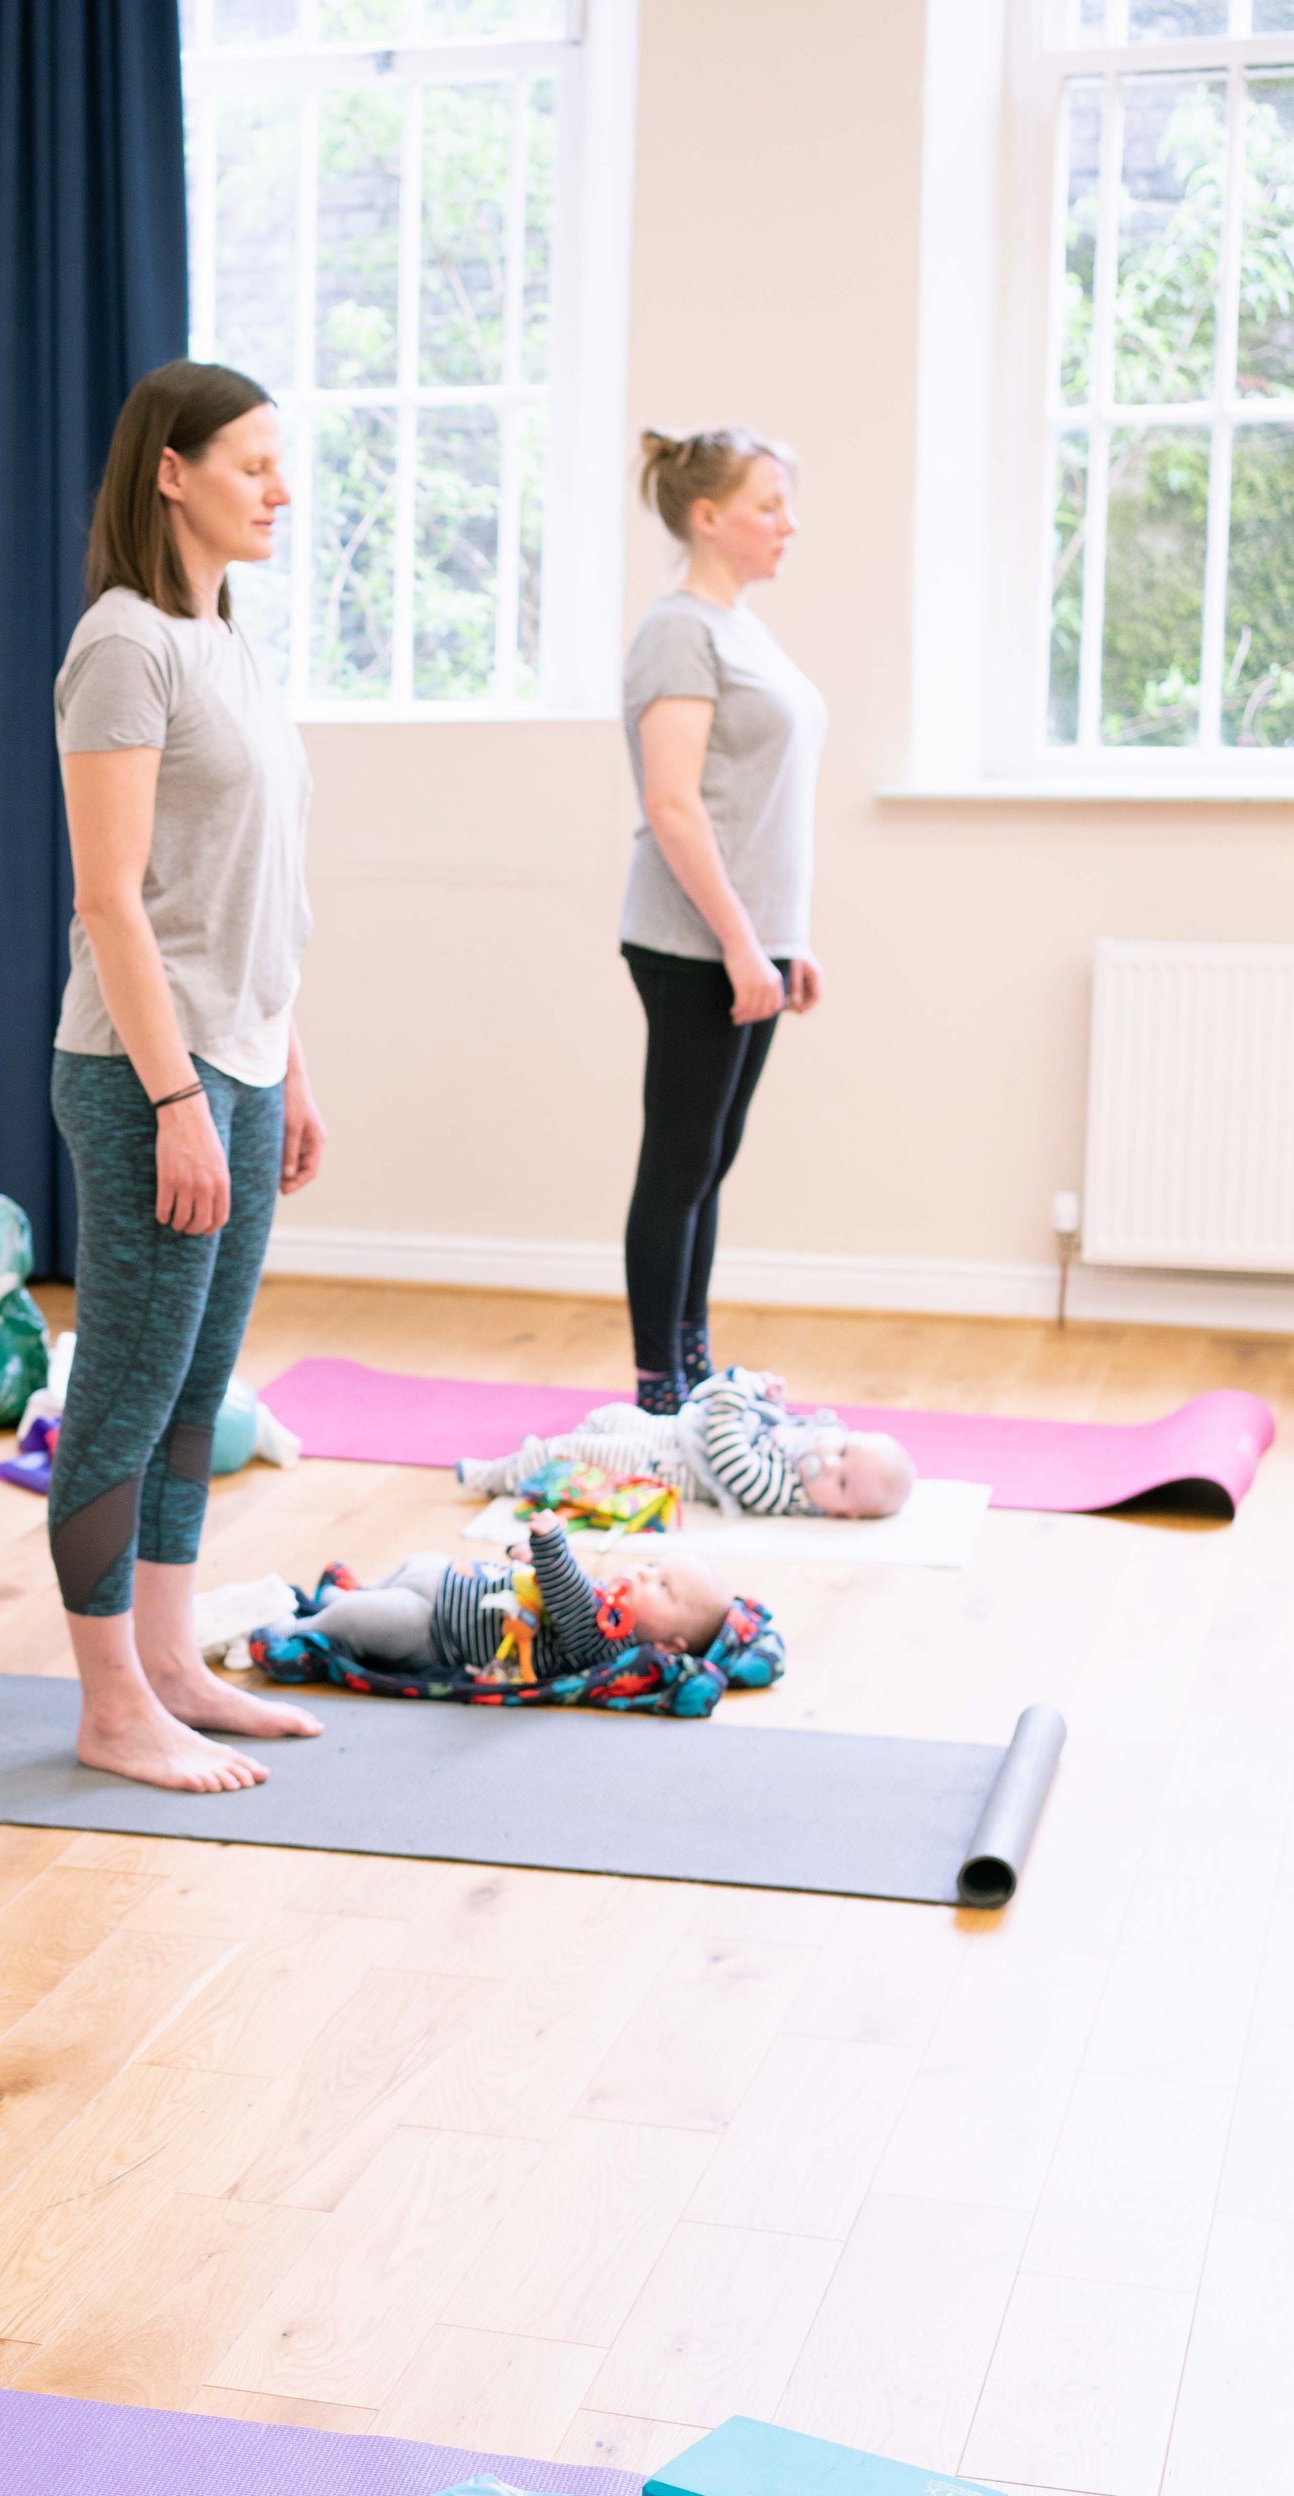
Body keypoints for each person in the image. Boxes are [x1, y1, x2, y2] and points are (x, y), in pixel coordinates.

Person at [47, 359, 329, 1796]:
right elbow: (114, 900)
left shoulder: (235, 647)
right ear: (172, 468)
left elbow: (246, 890)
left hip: (244, 1059)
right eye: (255, 463)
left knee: (199, 1389)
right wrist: (176, 1100)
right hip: (144, 1072)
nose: (282, 490)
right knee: (129, 1389)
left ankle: (169, 1666)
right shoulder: (124, 648)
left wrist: (289, 1063)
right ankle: (109, 1704)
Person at [619, 428, 829, 1415]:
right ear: (707, 516)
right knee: (678, 1163)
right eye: (768, 505)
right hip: (691, 941)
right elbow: (674, 804)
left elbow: (756, 799)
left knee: (708, 1163)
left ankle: (695, 1367)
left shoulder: (741, 627)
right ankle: (660, 1388)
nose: (789, 524)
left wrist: (786, 938)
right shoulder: (678, 631)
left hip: (750, 939)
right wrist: (745, 943)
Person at [285, 1518, 733, 1679]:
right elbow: (552, 1587)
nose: (642, 1573)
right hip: (448, 1577)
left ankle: (301, 1632)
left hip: (434, 1627)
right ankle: (340, 1600)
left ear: (670, 1644)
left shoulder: (613, 1643)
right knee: (395, 1579)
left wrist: (551, 1546)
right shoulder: (609, 1600)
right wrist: (531, 1561)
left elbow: (570, 1599)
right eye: (653, 1565)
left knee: (363, 1619)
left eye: (662, 1586)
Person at [463, 1367, 914, 1521]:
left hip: (661, 1464)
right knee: (607, 1418)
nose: (828, 1465)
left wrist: (735, 1393)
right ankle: (534, 1456)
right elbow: (782, 1423)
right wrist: (770, 1397)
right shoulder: (810, 1441)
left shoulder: (783, 1492)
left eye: (840, 1483)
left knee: (568, 1456)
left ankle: (498, 1474)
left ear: (843, 1513)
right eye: (842, 1451)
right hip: (670, 1430)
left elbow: (728, 1452)